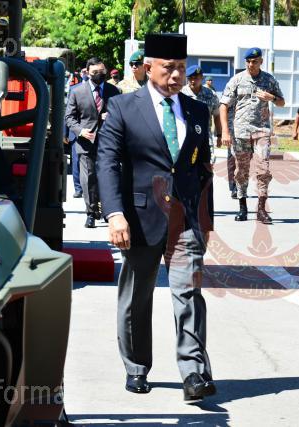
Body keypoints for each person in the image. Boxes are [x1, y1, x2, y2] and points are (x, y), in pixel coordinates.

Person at [96, 33, 216, 401]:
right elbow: (107, 162)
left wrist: (206, 220)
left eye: (181, 67)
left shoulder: (197, 110)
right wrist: (115, 214)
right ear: (148, 68)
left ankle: (193, 372)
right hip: (139, 217)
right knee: (137, 296)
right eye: (169, 67)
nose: (177, 75)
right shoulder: (123, 108)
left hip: (185, 218)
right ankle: (136, 366)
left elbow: (203, 169)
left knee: (188, 293)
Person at [220, 47, 285, 224]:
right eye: (248, 61)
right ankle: (242, 207)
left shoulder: (269, 80)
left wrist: (271, 98)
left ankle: (261, 210)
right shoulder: (237, 80)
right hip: (240, 132)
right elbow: (224, 105)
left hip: (261, 131)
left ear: (261, 62)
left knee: (263, 169)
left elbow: (282, 102)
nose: (250, 64)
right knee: (241, 171)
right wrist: (225, 131)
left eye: (254, 61)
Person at [64, 57, 120, 228]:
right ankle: (91, 212)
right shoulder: (77, 91)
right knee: (88, 178)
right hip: (85, 141)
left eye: (102, 72)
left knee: (107, 175)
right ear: (87, 73)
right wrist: (80, 131)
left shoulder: (113, 91)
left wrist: (111, 117)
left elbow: (121, 114)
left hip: (108, 141)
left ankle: (106, 210)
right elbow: (69, 117)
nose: (99, 75)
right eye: (95, 72)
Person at [181, 65, 222, 163]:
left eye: (196, 78)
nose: (192, 81)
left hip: (205, 138)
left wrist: (219, 135)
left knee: (207, 166)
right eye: (190, 78)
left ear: (202, 78)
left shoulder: (211, 94)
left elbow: (217, 115)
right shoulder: (181, 94)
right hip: (185, 138)